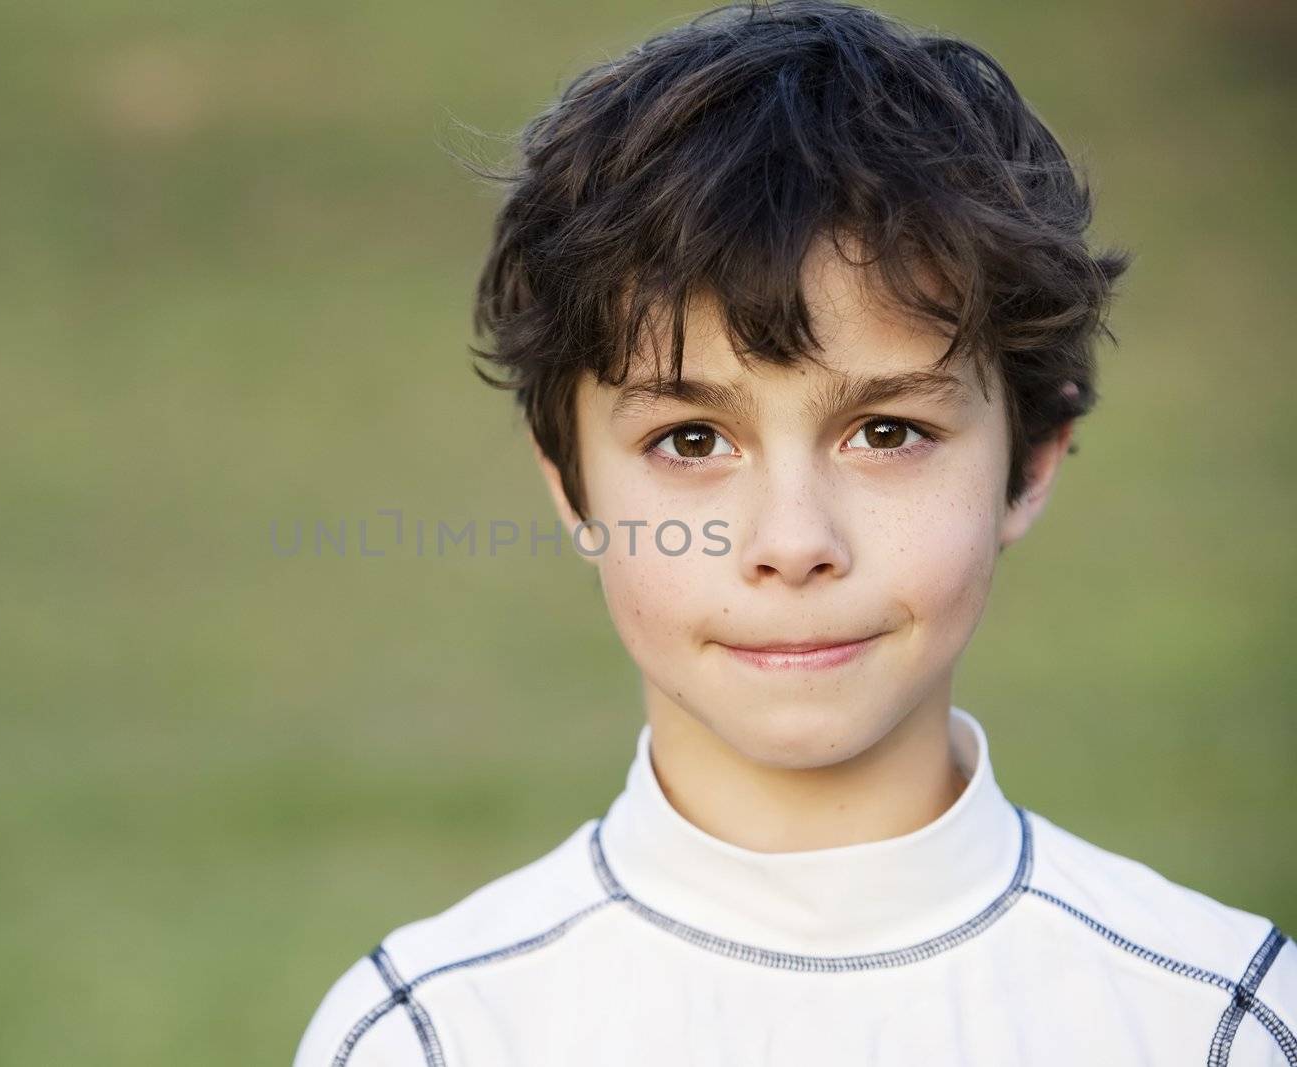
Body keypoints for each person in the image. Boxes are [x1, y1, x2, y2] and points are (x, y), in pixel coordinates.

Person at [293, 2, 1296, 1063]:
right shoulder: (433, 1031)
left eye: (886, 429)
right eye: (689, 440)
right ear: (571, 486)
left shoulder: (1219, 1016)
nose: (791, 539)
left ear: (1029, 458)